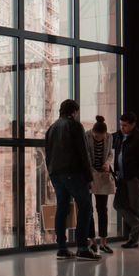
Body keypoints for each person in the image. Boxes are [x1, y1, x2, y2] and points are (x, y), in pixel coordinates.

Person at [44, 99, 100, 260]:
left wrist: (52, 172)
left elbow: (48, 153)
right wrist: (89, 177)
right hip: (73, 173)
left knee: (62, 209)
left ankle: (62, 247)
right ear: (74, 112)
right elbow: (83, 153)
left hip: (56, 174)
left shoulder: (51, 128)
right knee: (85, 207)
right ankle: (82, 247)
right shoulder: (75, 126)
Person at [112, 110, 139, 248]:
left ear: (133, 125)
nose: (122, 128)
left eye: (125, 125)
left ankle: (134, 240)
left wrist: (138, 176)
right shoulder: (118, 136)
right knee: (117, 204)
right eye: (120, 125)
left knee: (135, 207)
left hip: (134, 178)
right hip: (122, 177)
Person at [88, 116, 116, 255]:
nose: (98, 139)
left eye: (100, 137)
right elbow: (85, 156)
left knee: (102, 209)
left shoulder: (109, 137)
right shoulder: (86, 136)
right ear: (92, 132)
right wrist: (91, 172)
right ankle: (92, 241)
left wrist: (107, 164)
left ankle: (103, 242)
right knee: (88, 210)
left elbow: (110, 153)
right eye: (96, 136)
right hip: (89, 176)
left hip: (103, 176)